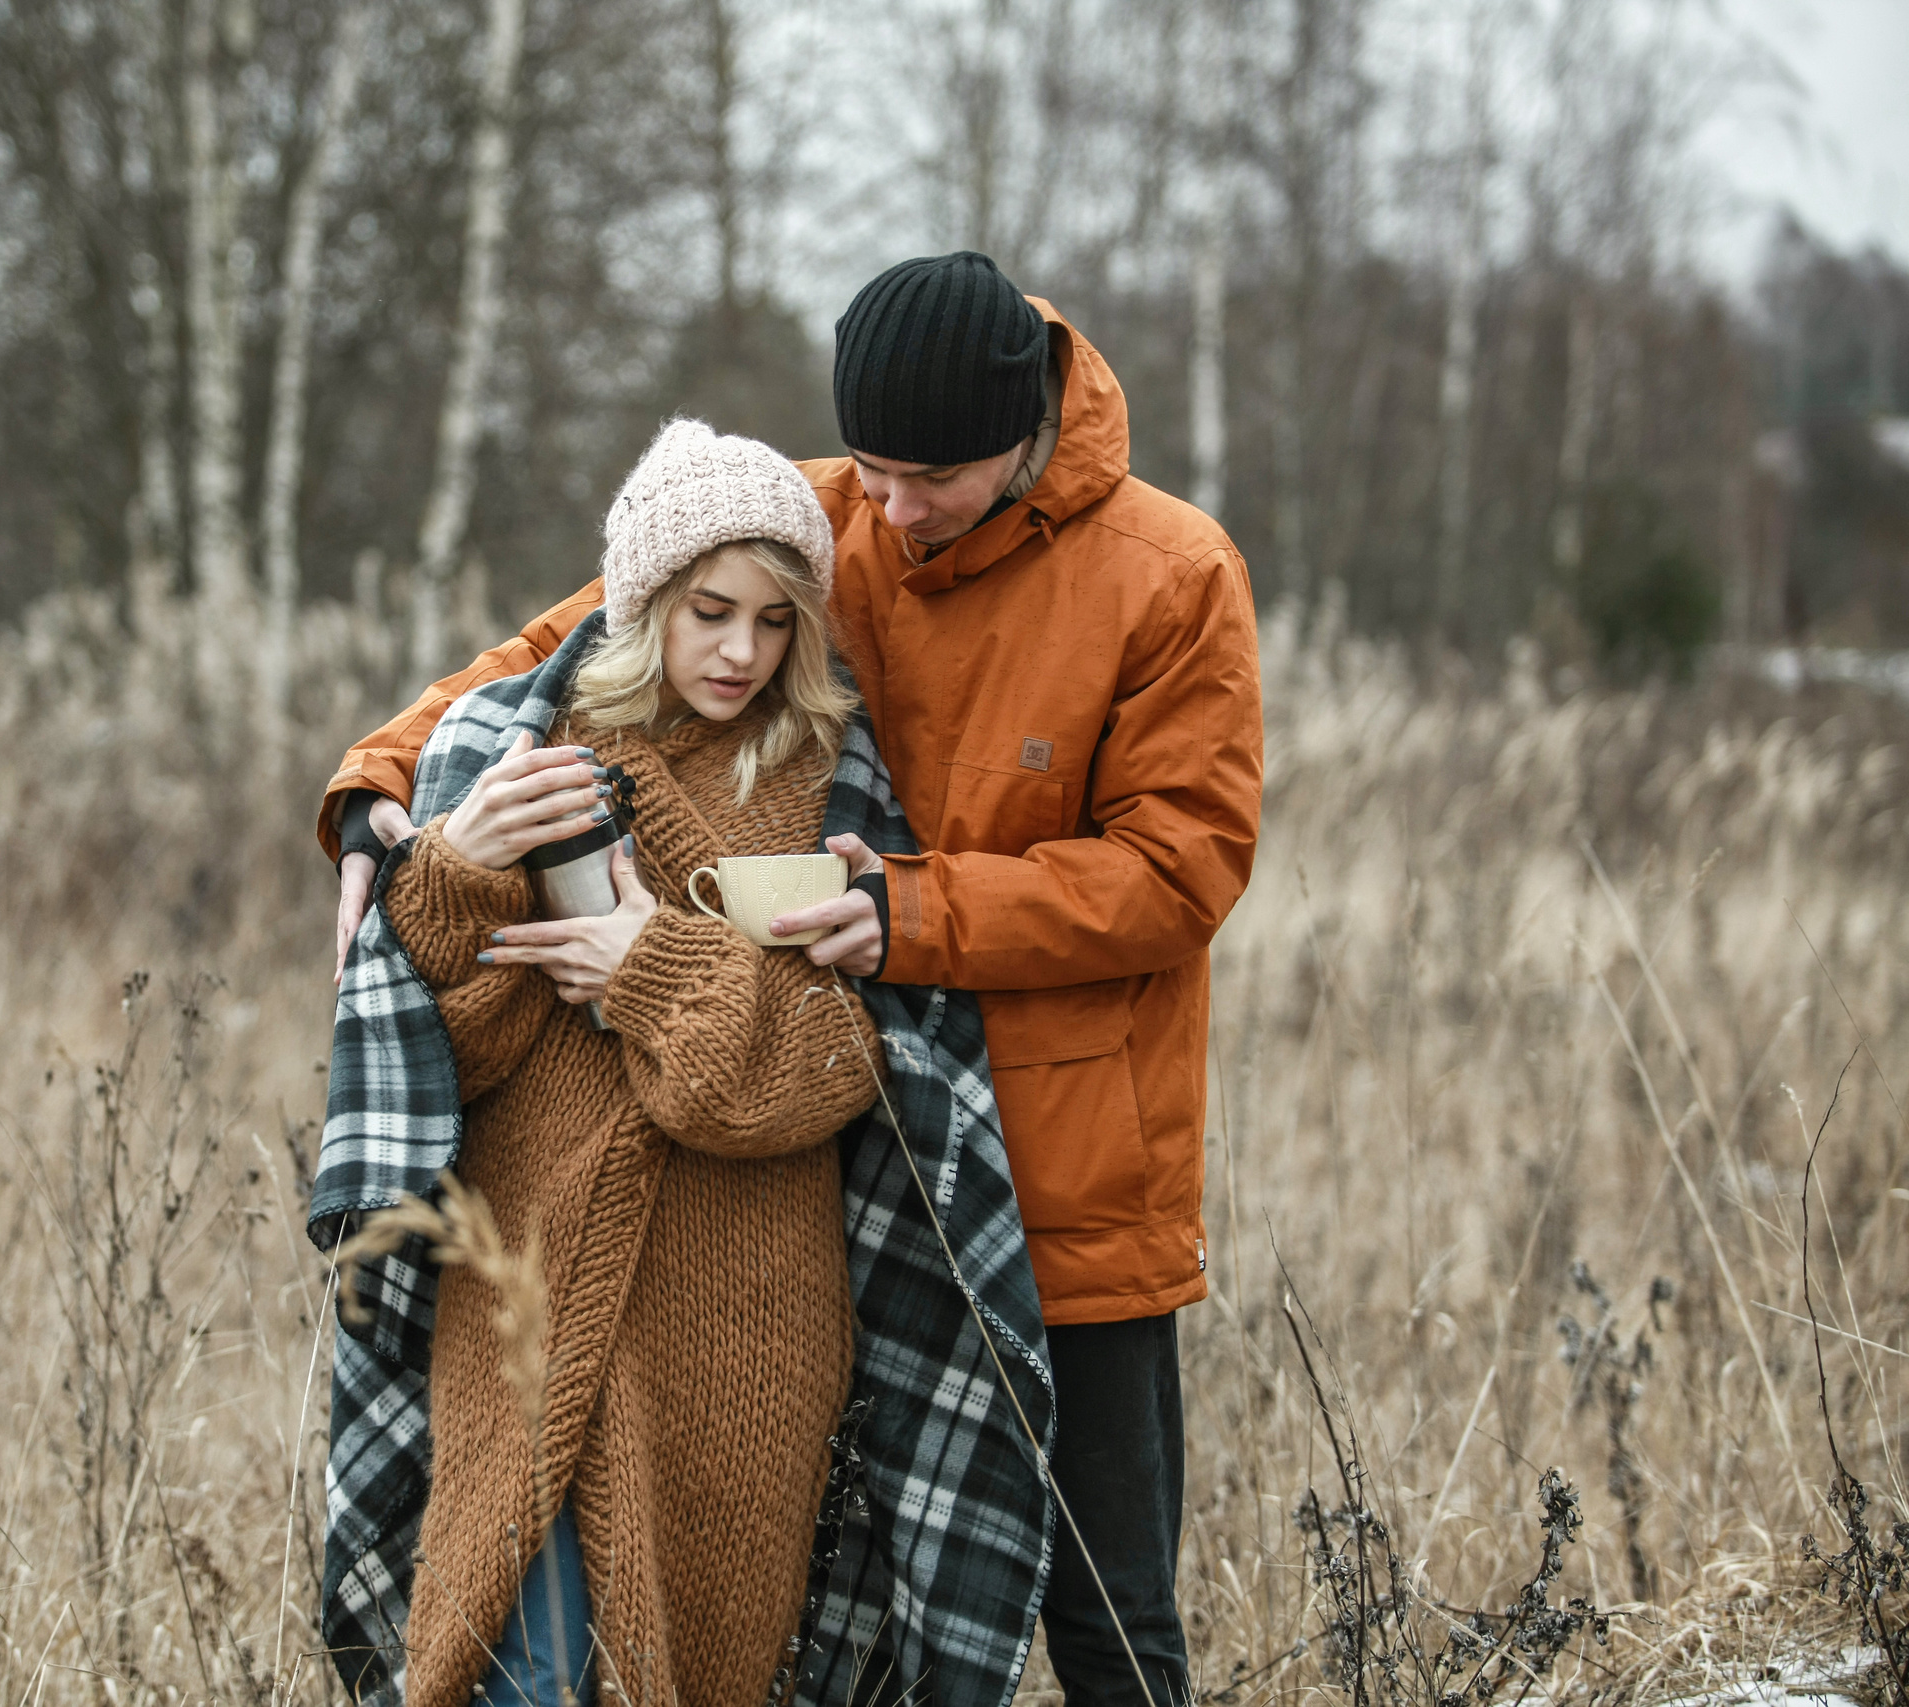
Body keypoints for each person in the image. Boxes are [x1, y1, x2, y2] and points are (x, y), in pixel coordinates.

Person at [322, 253, 1265, 1707]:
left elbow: (1181, 865)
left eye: (926, 478)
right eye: (872, 469)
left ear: (1021, 435)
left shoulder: (1174, 574)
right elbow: (552, 654)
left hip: (1071, 1164)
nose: (889, 509)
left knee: (1105, 1597)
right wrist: (380, 791)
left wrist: (907, 912)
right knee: (859, 1595)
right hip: (821, 1172)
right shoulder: (807, 521)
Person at [307, 419, 1061, 1705]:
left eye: (776, 623)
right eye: (709, 611)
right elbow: (451, 1052)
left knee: (702, 1673)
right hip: (523, 1291)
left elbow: (838, 1068)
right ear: (642, 599)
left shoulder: (832, 786)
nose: (739, 653)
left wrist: (649, 974)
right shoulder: (508, 747)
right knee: (515, 1670)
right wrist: (453, 871)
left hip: (749, 1321)